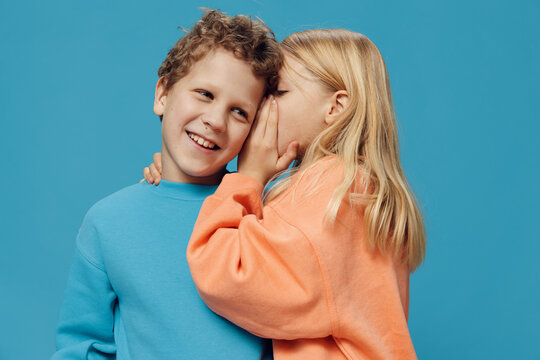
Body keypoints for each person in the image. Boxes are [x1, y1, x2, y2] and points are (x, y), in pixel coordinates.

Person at [145, 29, 426, 359]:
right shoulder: (354, 188)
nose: (264, 105)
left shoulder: (333, 190)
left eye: (278, 92)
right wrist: (190, 180)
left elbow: (226, 272)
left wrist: (246, 178)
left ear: (336, 107)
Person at [52, 9, 284, 359]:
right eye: (205, 94)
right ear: (163, 93)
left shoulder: (270, 214)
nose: (215, 121)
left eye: (240, 112)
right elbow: (82, 347)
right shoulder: (108, 223)